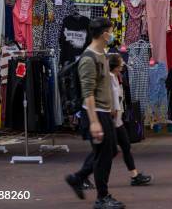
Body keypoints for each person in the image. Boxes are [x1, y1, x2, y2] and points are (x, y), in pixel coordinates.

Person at [65, 18, 124, 209]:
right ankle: (102, 197)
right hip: (96, 113)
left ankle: (78, 177)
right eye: (110, 31)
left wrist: (112, 107)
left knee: (109, 151)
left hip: (105, 112)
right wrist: (94, 122)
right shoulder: (88, 59)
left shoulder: (102, 54)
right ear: (104, 34)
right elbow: (88, 92)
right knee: (103, 156)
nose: (112, 35)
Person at [76, 53, 152, 189]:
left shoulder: (116, 78)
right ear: (114, 66)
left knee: (125, 146)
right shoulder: (108, 78)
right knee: (102, 152)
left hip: (117, 120)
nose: (123, 65)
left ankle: (134, 176)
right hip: (109, 120)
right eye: (120, 63)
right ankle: (83, 176)